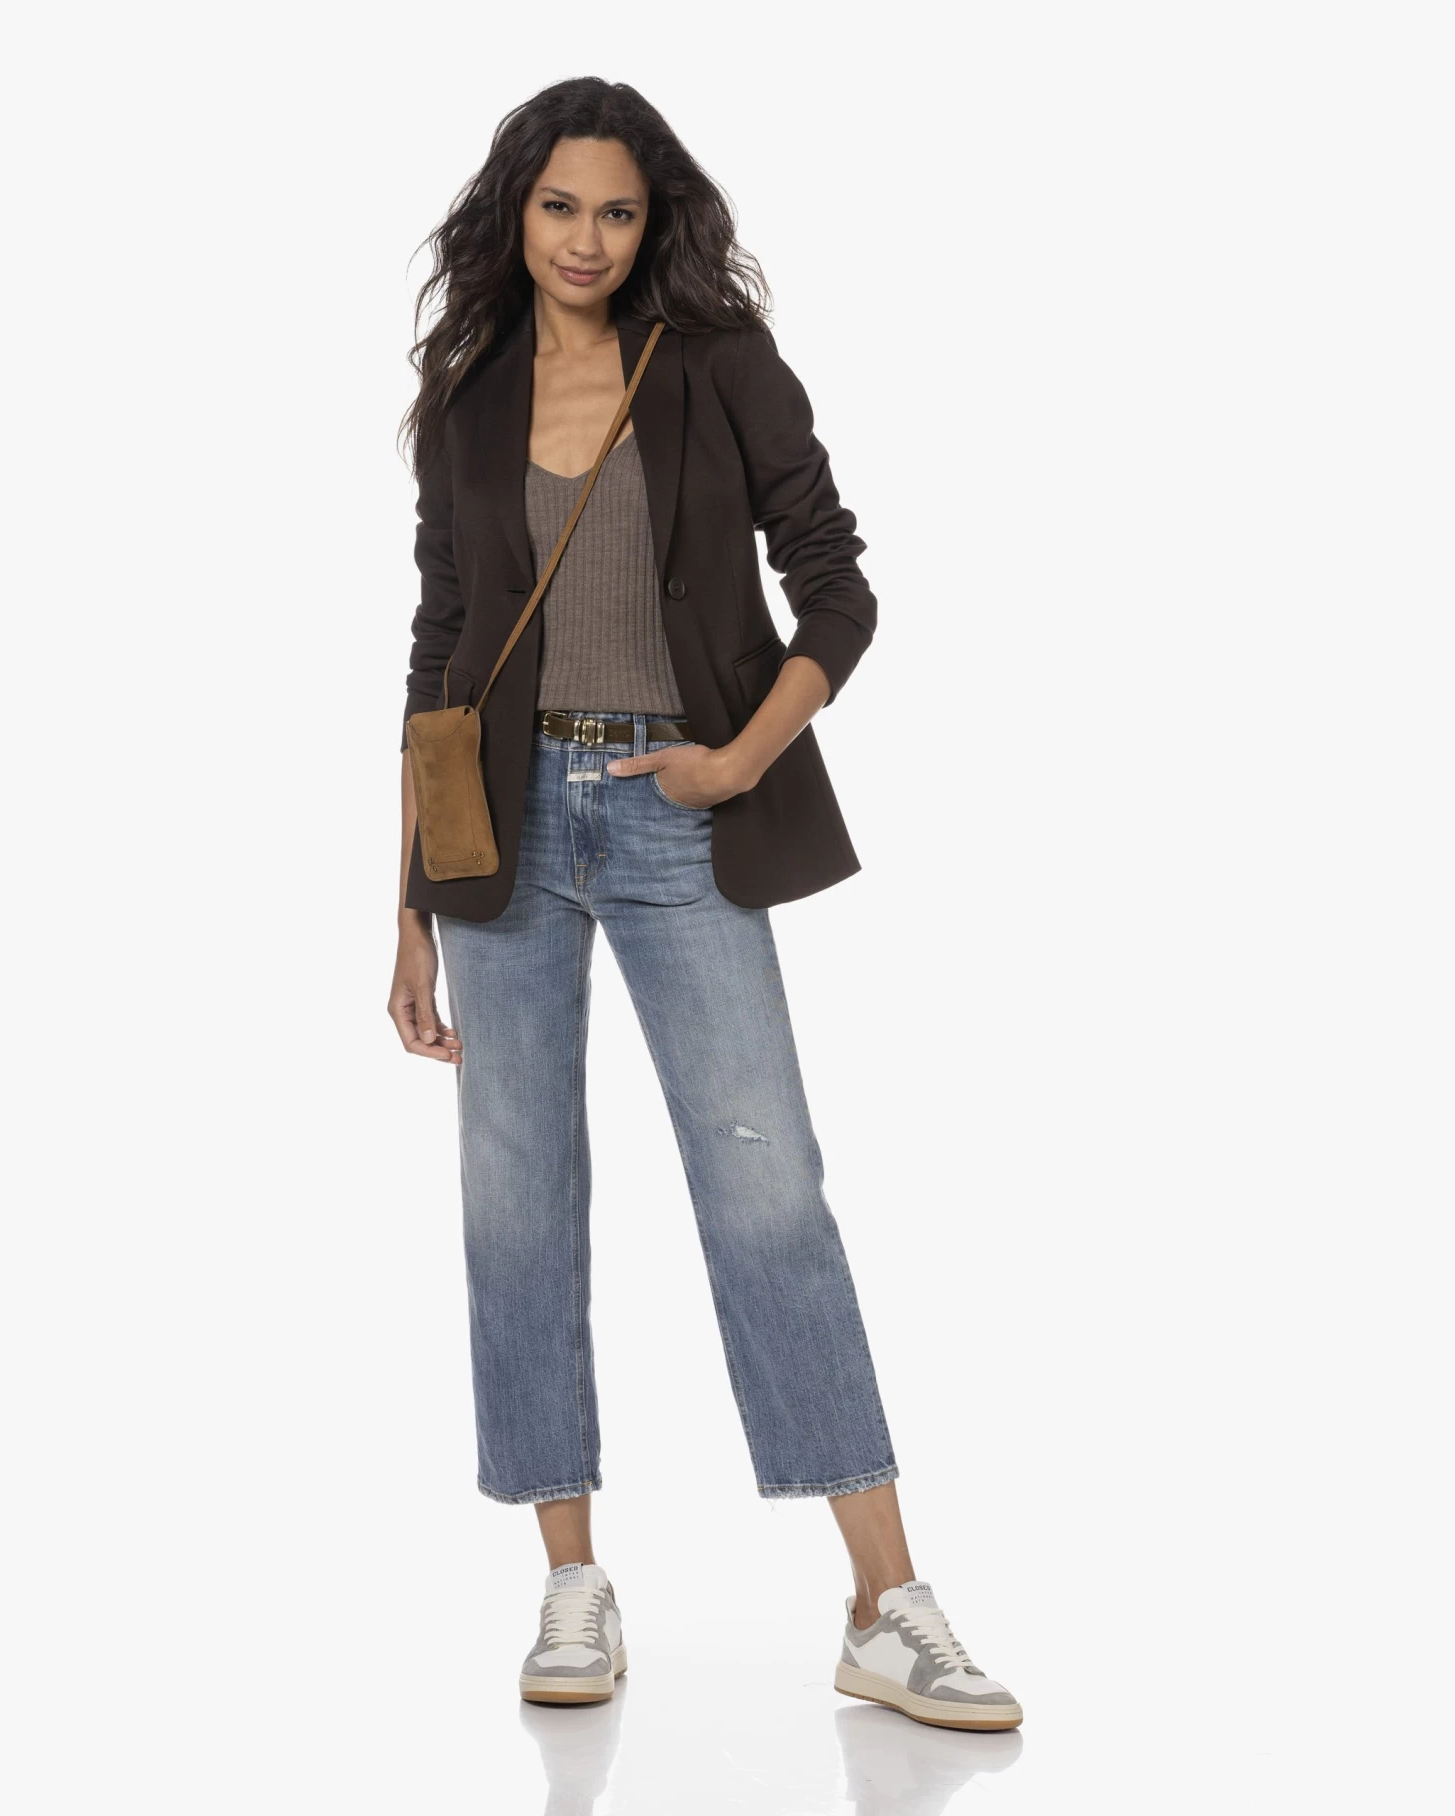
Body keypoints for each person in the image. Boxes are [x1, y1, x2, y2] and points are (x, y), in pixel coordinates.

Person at [388, 76, 1021, 1733]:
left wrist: (739, 757)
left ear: (651, 218)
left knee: (768, 1198)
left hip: (681, 817)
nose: (587, 239)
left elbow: (836, 580)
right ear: (516, 212)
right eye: (560, 207)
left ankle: (885, 1603)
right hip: (504, 837)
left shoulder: (721, 365)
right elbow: (443, 649)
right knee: (519, 1206)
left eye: (617, 210)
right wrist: (407, 908)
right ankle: (571, 1581)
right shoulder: (469, 391)